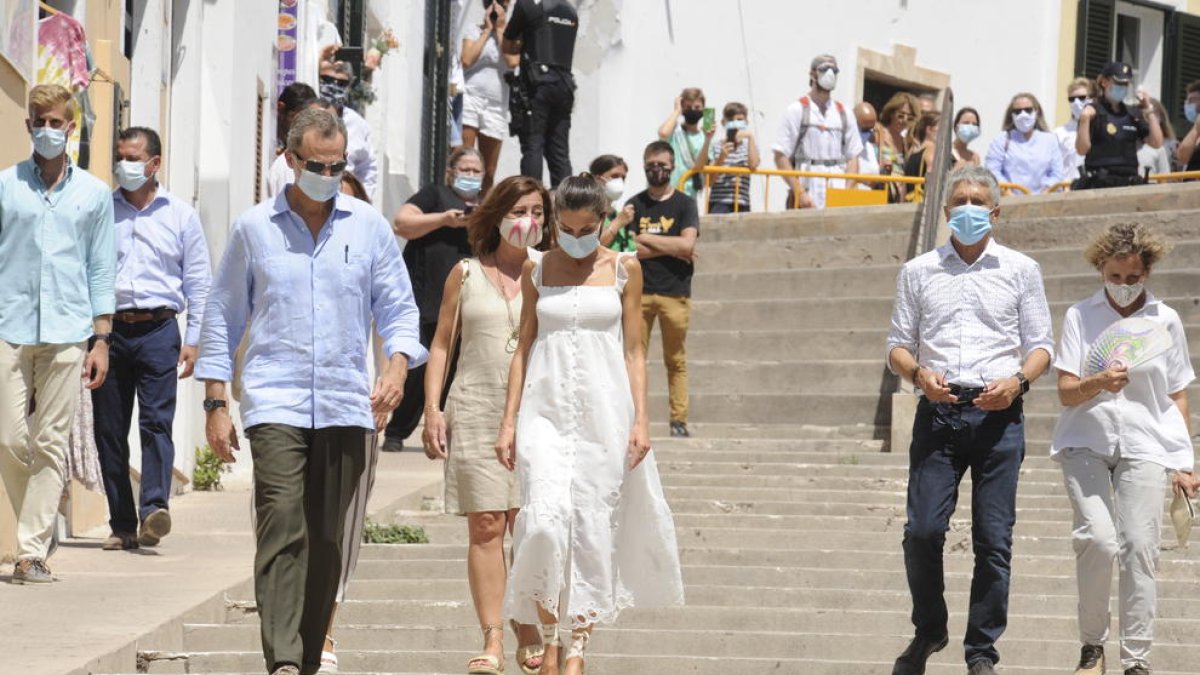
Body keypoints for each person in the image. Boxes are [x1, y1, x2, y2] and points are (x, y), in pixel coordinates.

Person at [195, 108, 426, 675]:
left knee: (326, 538)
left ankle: (307, 649)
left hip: (348, 402)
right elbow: (223, 315)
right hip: (275, 398)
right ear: (291, 159)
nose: (327, 174)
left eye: (336, 165)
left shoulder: (367, 227)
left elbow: (399, 308)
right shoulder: (255, 229)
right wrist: (216, 402)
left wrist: (397, 368)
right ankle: (283, 658)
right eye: (316, 165)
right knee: (281, 520)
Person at [495, 175, 684, 675]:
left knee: (593, 525)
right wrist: (509, 422)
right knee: (543, 523)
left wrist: (642, 421)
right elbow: (524, 346)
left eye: (586, 229)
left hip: (606, 413)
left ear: (603, 221)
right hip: (544, 411)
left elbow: (635, 351)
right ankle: (549, 637)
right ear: (555, 223)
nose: (576, 238)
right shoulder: (537, 268)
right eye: (567, 228)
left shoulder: (625, 268)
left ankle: (576, 645)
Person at [886, 165, 1054, 675]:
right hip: (939, 413)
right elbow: (897, 346)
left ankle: (981, 651)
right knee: (921, 530)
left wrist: (1017, 383)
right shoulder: (918, 271)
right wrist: (918, 374)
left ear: (995, 212)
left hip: (999, 415)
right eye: (959, 200)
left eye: (978, 201)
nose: (968, 209)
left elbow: (1041, 347)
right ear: (945, 211)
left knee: (993, 540)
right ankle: (929, 629)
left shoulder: (1021, 270)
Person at [1049, 223, 1194, 675]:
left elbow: (1177, 393)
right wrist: (1097, 382)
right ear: (1100, 269)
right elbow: (1066, 392)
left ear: (1146, 271)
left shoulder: (1166, 319)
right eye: (1115, 277)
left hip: (1147, 440)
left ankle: (1137, 660)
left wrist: (1184, 462)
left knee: (1140, 544)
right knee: (1097, 539)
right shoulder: (1080, 316)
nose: (1124, 286)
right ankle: (1092, 646)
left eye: (1134, 277)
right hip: (1085, 437)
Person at [423, 176, 550, 675]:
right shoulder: (466, 272)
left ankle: (528, 623)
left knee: (529, 524)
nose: (528, 221)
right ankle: (493, 636)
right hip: (475, 406)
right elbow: (441, 344)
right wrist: (432, 408)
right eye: (519, 211)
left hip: (536, 411)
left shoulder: (552, 271)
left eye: (537, 212)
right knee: (486, 524)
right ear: (497, 216)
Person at [0, 84, 115, 584]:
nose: (48, 130)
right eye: (40, 121)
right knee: (8, 438)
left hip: (69, 327)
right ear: (28, 125)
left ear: (70, 127)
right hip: (8, 323)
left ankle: (30, 551)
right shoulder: (5, 187)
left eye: (56, 122)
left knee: (50, 440)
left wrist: (102, 339)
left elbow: (101, 267)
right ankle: (38, 525)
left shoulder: (94, 194)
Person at [94, 127, 211, 551]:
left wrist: (193, 340)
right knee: (109, 430)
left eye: (133, 158)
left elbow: (199, 281)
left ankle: (154, 509)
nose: (124, 165)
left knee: (157, 422)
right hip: (108, 332)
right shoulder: (102, 211)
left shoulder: (180, 215)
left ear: (155, 163)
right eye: (120, 157)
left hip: (160, 330)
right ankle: (123, 523)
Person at [318, 170, 388, 675]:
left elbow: (393, 322)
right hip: (287, 405)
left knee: (341, 525)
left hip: (354, 405)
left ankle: (324, 628)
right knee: (283, 519)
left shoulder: (371, 250)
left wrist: (390, 382)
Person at [381, 148, 482, 453]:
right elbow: (402, 222)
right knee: (417, 367)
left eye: (477, 171)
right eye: (465, 169)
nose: (471, 176)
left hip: (466, 300)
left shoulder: (484, 204)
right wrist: (444, 220)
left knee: (454, 370)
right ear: (451, 173)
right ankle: (397, 430)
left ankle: (442, 432)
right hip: (426, 297)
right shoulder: (435, 196)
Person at [626, 141, 699, 438]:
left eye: (662, 165)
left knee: (675, 360)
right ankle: (634, 419)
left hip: (675, 292)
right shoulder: (634, 204)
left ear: (672, 167)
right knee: (634, 359)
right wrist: (674, 247)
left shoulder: (685, 204)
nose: (656, 170)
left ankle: (678, 420)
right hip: (638, 293)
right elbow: (631, 249)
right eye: (651, 165)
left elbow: (688, 244)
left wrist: (646, 239)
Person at [502, 0, 579, 187]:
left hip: (537, 85)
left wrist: (523, 42)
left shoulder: (528, 4)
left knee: (533, 144)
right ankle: (565, 199)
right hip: (565, 85)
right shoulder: (570, 10)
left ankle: (533, 195)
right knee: (559, 151)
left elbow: (507, 45)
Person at [772, 54, 862, 209]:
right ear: (812, 74)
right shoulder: (797, 109)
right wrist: (799, 193)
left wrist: (846, 193)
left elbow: (853, 156)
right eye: (824, 69)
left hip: (836, 193)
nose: (830, 74)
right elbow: (780, 155)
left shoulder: (844, 113)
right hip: (807, 192)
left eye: (834, 70)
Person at [1075, 63, 1162, 191]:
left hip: (1129, 184)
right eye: (1118, 83)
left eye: (1126, 84)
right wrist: (1084, 119)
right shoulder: (1092, 112)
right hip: (1099, 185)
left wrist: (1148, 108)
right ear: (1104, 82)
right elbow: (1082, 150)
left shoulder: (1132, 114)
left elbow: (1156, 142)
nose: (1122, 87)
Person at [461, 0, 512, 195]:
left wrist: (500, 31)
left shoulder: (511, 35)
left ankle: (484, 208)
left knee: (489, 170)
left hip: (496, 105)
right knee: (465, 160)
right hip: (470, 98)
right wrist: (486, 31)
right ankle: (460, 203)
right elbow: (467, 59)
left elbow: (512, 61)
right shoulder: (473, 30)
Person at [316, 46, 380, 198]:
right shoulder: (305, 115)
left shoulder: (358, 124)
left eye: (341, 83)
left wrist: (361, 200)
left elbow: (368, 168)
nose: (334, 86)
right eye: (327, 80)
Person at [985, 92, 1065, 194]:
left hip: (1044, 199)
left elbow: (1058, 172)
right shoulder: (1002, 139)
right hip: (1010, 199)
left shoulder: (1050, 140)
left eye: (1028, 110)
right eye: (1018, 111)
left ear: (1036, 112)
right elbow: (992, 170)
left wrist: (1046, 190)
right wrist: (1007, 191)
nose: (1023, 115)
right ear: (1012, 115)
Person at [656, 88, 716, 199]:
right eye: (688, 107)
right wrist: (677, 111)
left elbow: (699, 166)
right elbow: (663, 133)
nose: (692, 110)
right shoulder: (675, 130)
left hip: (688, 194)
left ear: (703, 109)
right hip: (666, 192)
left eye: (697, 107)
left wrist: (708, 140)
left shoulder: (706, 137)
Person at [707, 101, 759, 213]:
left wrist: (750, 137)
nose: (735, 124)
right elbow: (709, 181)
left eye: (739, 120)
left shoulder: (749, 146)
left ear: (746, 122)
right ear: (723, 122)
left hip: (742, 202)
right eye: (731, 120)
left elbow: (754, 165)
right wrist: (721, 158)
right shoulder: (716, 146)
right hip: (719, 202)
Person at [590, 154, 636, 252]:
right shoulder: (586, 212)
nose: (620, 182)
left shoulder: (617, 214)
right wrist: (617, 223)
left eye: (623, 178)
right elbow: (591, 250)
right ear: (597, 179)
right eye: (614, 176)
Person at [879, 92, 919, 202]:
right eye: (900, 115)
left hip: (898, 198)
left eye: (909, 118)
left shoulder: (905, 142)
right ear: (891, 113)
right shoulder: (879, 133)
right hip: (881, 192)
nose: (904, 120)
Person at [1055, 78, 1095, 181]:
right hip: (1069, 186)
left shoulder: (1101, 128)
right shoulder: (1059, 133)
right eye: (1072, 99)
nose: (1076, 102)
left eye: (1082, 98)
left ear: (1092, 99)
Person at [901, 111, 940, 202]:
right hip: (924, 203)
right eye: (942, 127)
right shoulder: (932, 151)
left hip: (910, 203)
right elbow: (932, 180)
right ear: (929, 129)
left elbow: (904, 187)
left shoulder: (912, 153)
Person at [1136, 97, 1174, 178]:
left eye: (1153, 113)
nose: (1146, 117)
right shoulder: (1128, 142)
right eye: (1143, 113)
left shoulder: (1161, 148)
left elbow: (1164, 178)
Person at [853, 101, 883, 187]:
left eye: (871, 128)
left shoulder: (870, 148)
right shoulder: (840, 147)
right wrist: (863, 179)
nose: (869, 133)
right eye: (865, 129)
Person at [1176, 80, 1200, 172]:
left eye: (1192, 100)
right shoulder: (1195, 130)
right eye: (1187, 101)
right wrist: (1196, 128)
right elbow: (1182, 158)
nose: (1187, 104)